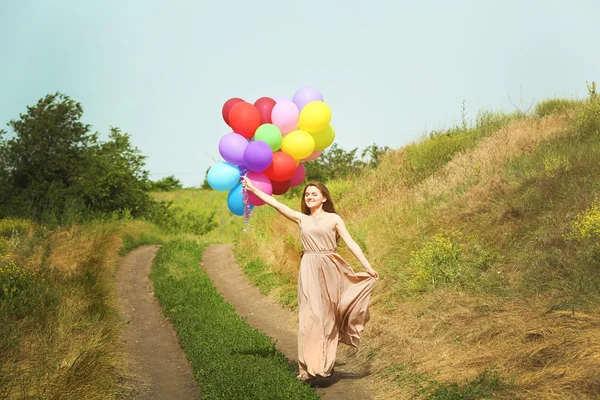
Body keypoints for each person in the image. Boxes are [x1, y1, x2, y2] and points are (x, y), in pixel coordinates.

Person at [241, 176, 379, 381]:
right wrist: (252, 188)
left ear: (324, 198)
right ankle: (307, 368)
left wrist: (368, 267)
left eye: (314, 194)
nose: (309, 197)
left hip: (331, 268)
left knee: (329, 316)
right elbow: (276, 204)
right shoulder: (301, 218)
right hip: (309, 268)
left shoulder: (334, 219)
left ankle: (325, 364)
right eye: (307, 194)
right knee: (311, 316)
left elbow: (351, 243)